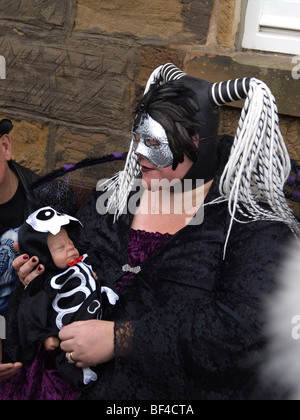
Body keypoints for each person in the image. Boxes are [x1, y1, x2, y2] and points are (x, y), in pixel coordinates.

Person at [14, 64, 300, 400]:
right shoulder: (116, 196)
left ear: (199, 143)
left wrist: (121, 338)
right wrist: (41, 275)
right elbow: (76, 261)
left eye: (153, 141)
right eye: (137, 137)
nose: (138, 152)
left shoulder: (250, 222)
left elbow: (243, 330)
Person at [3, 206, 119, 393]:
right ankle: (81, 376)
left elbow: (97, 279)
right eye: (61, 248)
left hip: (99, 321)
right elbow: (31, 310)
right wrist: (45, 336)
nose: (71, 248)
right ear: (44, 256)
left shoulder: (82, 262)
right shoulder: (48, 283)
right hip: (66, 329)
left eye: (70, 242)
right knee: (64, 355)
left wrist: (103, 287)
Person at [0, 118, 77, 392]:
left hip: (35, 345)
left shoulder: (51, 198)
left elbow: (76, 277)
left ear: (5, 146)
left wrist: (36, 284)